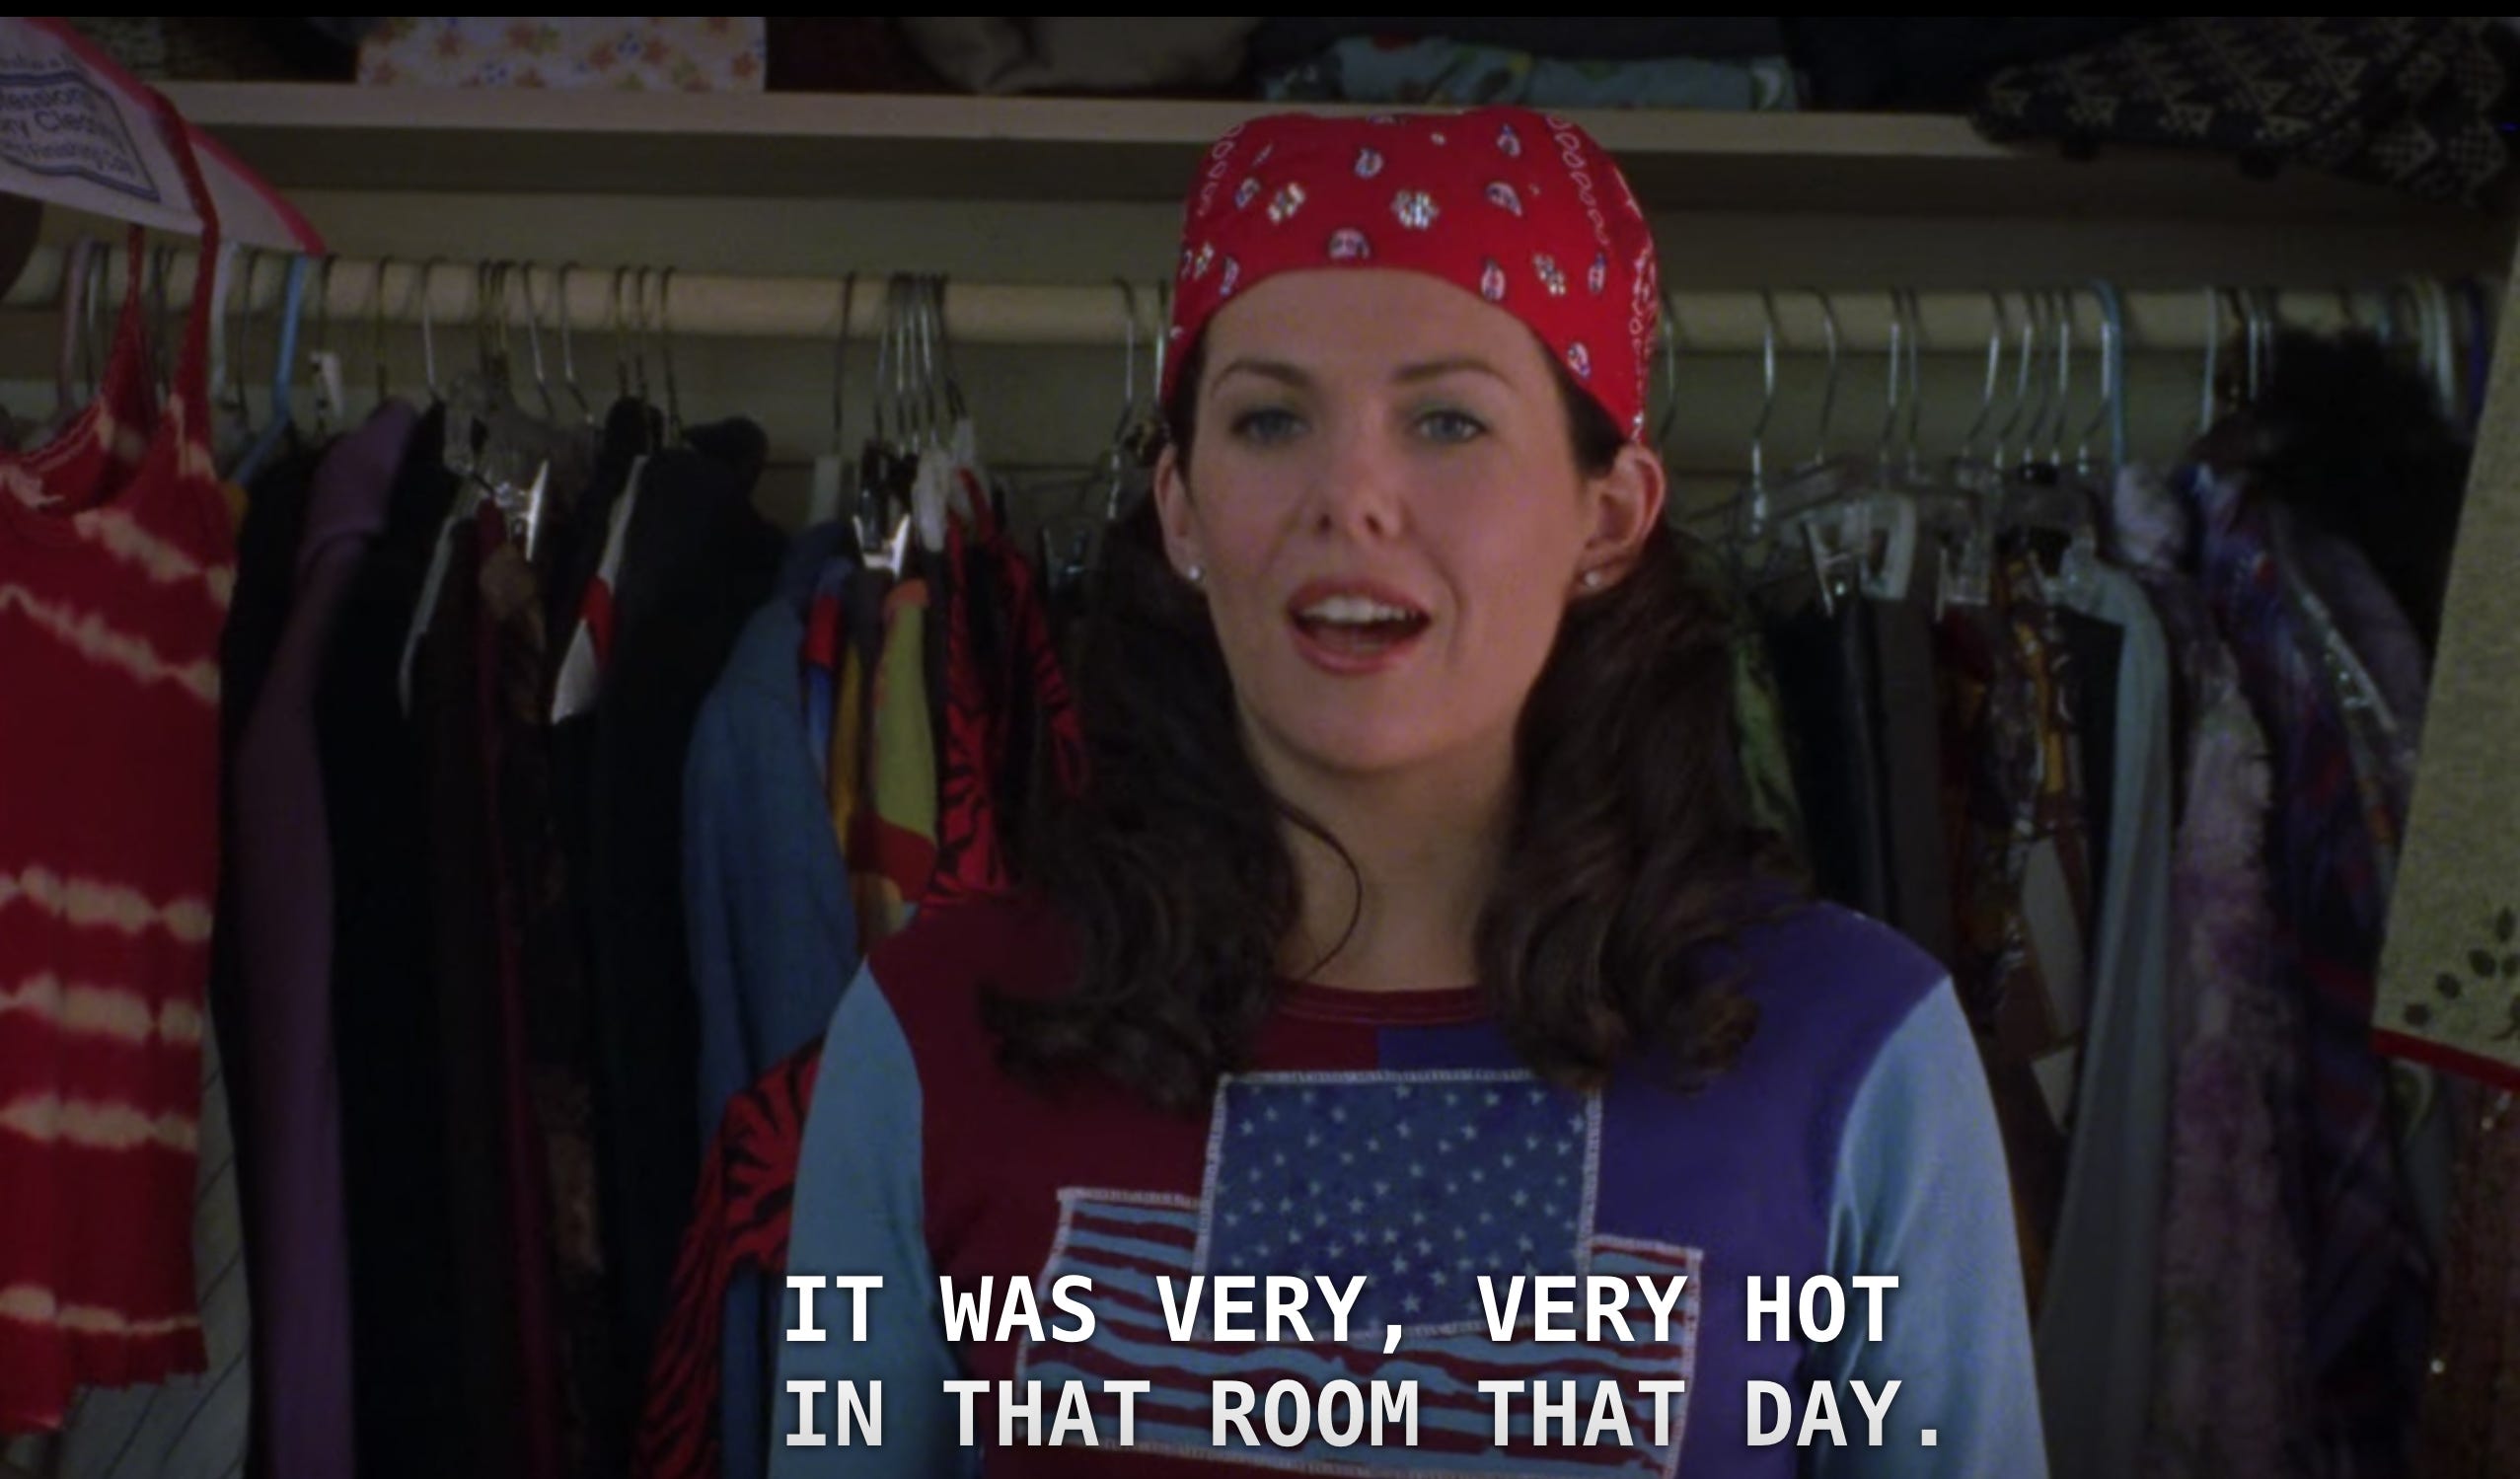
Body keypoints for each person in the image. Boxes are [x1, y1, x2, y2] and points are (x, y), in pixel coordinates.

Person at [772, 106, 2044, 1478]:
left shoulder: (1859, 1051)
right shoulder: (930, 1033)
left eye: (1446, 420)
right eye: (1269, 420)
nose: (1352, 498)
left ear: (1607, 516)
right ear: (1183, 509)